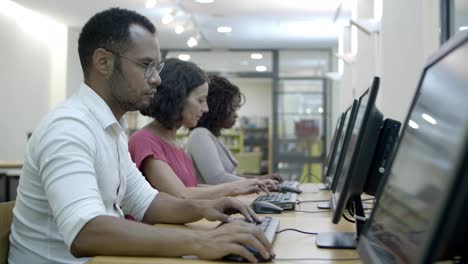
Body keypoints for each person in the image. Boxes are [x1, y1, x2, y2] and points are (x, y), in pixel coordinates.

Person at [8, 8, 273, 264]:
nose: (157, 79)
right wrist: (201, 242)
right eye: (146, 65)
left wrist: (208, 207)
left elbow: (147, 202)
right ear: (103, 62)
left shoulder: (112, 129)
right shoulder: (68, 128)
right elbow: (85, 232)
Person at [128, 58, 275, 199]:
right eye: (200, 100)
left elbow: (192, 187)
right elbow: (181, 195)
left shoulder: (173, 143)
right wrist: (236, 187)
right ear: (176, 98)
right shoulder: (144, 141)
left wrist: (248, 185)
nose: (206, 109)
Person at [186, 75, 283, 184]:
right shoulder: (200, 135)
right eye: (233, 108)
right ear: (217, 108)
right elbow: (218, 179)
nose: (236, 115)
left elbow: (230, 176)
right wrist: (257, 182)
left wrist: (262, 179)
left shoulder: (208, 136)